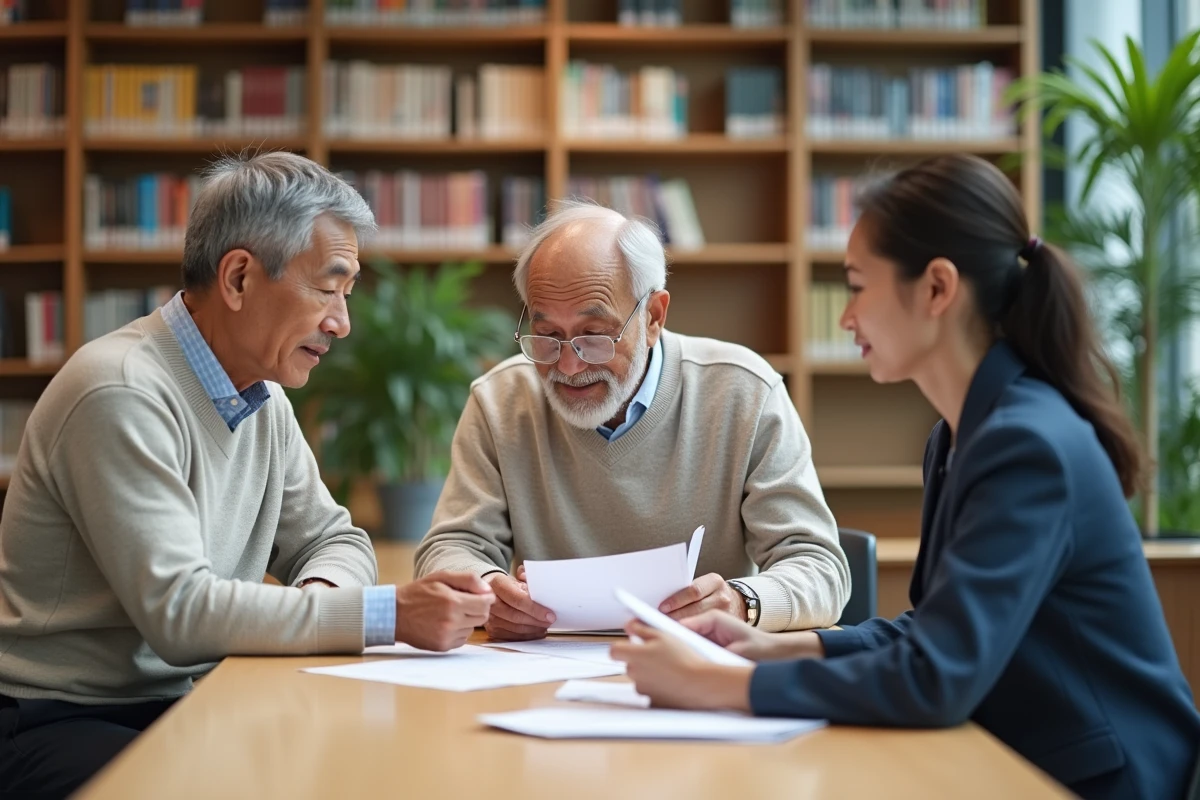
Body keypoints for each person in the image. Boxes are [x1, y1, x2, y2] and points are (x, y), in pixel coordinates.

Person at [611, 154, 1200, 800]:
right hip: (1019, 758)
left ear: (937, 288)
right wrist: (765, 649)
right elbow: (931, 632)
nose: (845, 317)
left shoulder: (1024, 444)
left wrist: (715, 685)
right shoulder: (959, 434)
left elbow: (936, 677)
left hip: (1100, 780)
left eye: (858, 286)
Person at [0, 151, 494, 799]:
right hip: (67, 716)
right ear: (238, 278)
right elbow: (180, 613)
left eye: (347, 294)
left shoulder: (260, 398)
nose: (342, 323)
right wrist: (381, 615)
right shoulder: (119, 391)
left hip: (195, 693)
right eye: (328, 287)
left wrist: (324, 601)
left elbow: (335, 542)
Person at [414, 198, 850, 641]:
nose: (568, 365)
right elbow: (450, 548)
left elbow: (820, 568)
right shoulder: (500, 402)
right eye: (547, 337)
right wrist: (490, 592)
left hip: (698, 673)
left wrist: (741, 602)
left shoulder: (744, 393)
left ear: (654, 316)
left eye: (594, 337)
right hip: (545, 673)